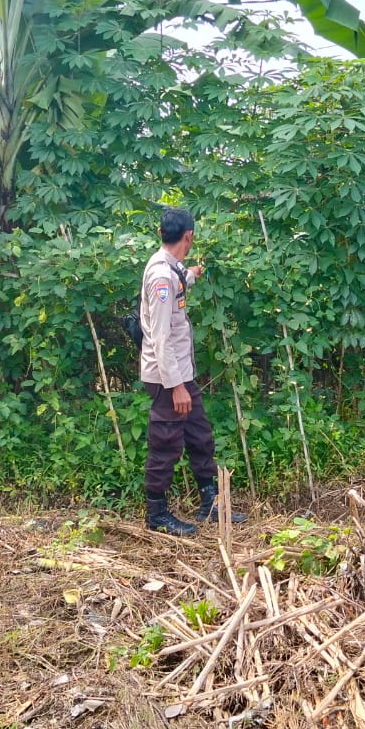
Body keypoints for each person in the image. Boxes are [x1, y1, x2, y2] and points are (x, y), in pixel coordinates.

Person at [139, 207, 245, 536]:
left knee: (199, 435)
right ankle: (157, 514)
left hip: (182, 374)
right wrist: (176, 387)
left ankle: (210, 504)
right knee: (166, 443)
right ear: (189, 237)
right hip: (167, 378)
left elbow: (179, 282)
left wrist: (196, 273)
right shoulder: (160, 277)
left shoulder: (172, 270)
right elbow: (159, 337)